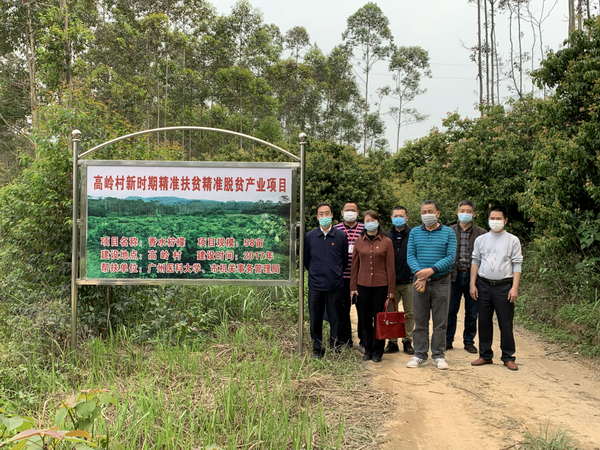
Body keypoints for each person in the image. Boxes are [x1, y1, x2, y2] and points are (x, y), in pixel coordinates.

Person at [470, 205, 522, 371]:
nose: (495, 221)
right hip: (483, 285)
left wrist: (514, 288)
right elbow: (475, 261)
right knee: (484, 321)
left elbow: (517, 264)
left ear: (505, 220)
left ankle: (508, 356)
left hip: (504, 286)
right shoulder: (481, 240)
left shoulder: (512, 240)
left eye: (499, 218)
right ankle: (485, 355)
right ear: (488, 220)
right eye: (492, 218)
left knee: (505, 322)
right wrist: (472, 284)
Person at [406, 200, 457, 370]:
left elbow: (450, 257)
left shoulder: (449, 232)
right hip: (419, 282)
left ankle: (438, 355)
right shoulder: (414, 232)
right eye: (424, 212)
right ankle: (420, 354)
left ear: (438, 213)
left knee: (440, 321)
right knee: (420, 320)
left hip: (441, 281)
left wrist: (431, 271)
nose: (427, 215)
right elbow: (410, 256)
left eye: (430, 211)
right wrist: (420, 274)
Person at [304, 203, 349, 359]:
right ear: (317, 217)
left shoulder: (341, 236)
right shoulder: (310, 236)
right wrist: (316, 272)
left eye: (327, 213)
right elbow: (306, 260)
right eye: (321, 214)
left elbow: (344, 260)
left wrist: (335, 273)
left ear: (332, 215)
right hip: (315, 285)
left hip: (335, 285)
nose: (324, 216)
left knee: (335, 318)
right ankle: (317, 348)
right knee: (315, 318)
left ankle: (335, 346)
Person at [350, 210, 395, 363]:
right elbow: (354, 266)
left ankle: (377, 351)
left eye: (373, 220)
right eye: (367, 221)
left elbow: (390, 267)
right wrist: (353, 287)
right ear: (363, 223)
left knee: (379, 319)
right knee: (364, 319)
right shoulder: (358, 241)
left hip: (381, 286)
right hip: (362, 286)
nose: (370, 223)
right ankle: (367, 349)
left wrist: (391, 289)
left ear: (378, 222)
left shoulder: (386, 242)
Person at [446, 200, 487, 354]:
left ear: (474, 214)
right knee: (450, 310)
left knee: (472, 311)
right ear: (457, 212)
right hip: (453, 276)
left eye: (468, 211)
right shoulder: (449, 231)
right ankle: (447, 340)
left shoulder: (482, 233)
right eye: (462, 210)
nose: (465, 214)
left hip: (473, 276)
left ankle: (469, 341)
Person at [333, 201, 365, 350]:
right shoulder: (335, 229)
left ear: (357, 213)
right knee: (342, 311)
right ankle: (345, 341)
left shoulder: (365, 229)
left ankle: (364, 341)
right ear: (342, 212)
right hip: (341, 278)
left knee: (363, 311)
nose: (350, 212)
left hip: (361, 278)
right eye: (347, 210)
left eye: (353, 210)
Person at [384, 206, 415, 355]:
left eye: (401, 215)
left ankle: (407, 341)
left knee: (410, 313)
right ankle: (392, 342)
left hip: (409, 281)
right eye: (395, 216)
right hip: (391, 283)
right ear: (391, 218)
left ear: (407, 218)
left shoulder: (413, 234)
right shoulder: (386, 236)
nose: (398, 218)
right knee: (391, 313)